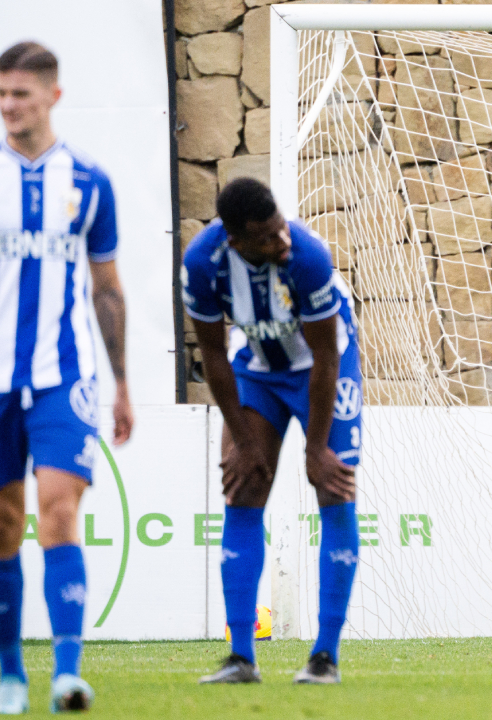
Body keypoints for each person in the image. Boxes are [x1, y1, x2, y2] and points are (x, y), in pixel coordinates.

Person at [0, 42, 133, 713]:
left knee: (59, 512)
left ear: (52, 96)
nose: (9, 105)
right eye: (1, 94)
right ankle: (11, 677)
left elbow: (107, 288)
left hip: (62, 376)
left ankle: (67, 674)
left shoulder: (89, 181)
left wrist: (122, 381)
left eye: (21, 93)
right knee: (2, 527)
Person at [183, 177, 360, 685]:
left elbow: (325, 359)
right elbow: (213, 356)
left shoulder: (307, 256)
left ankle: (324, 657)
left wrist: (317, 448)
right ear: (235, 239)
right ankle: (241, 658)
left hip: (325, 369)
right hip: (256, 368)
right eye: (266, 236)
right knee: (243, 489)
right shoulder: (202, 262)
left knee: (332, 487)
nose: (281, 239)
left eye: (281, 226)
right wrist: (239, 437)